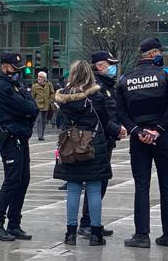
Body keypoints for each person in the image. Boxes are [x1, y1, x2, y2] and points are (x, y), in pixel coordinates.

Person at [115, 37, 168, 248]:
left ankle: (141, 235)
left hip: (139, 139)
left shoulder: (126, 79)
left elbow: (121, 111)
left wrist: (137, 131)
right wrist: (159, 130)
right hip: (164, 138)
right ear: (153, 54)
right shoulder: (166, 76)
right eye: (160, 52)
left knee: (141, 186)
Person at [53, 61, 113, 245]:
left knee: (73, 188)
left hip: (70, 146)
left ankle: (70, 234)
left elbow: (59, 122)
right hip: (92, 145)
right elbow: (105, 120)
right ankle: (95, 233)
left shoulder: (62, 96)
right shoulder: (96, 96)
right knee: (94, 188)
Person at [0, 53, 39, 241]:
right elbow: (24, 107)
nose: (18, 70)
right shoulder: (1, 87)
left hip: (21, 136)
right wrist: (27, 110)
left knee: (23, 179)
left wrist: (27, 110)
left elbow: (33, 107)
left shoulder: (17, 86)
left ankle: (14, 223)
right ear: (4, 67)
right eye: (14, 67)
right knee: (12, 180)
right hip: (9, 136)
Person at [77, 51, 125, 238]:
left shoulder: (106, 85)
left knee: (101, 181)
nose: (112, 67)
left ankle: (92, 220)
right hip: (97, 139)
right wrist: (116, 128)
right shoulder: (94, 85)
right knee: (95, 181)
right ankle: (87, 222)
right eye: (109, 64)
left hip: (106, 139)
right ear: (99, 66)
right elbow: (98, 114)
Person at [31, 71, 56, 141]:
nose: (39, 78)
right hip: (38, 105)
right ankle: (40, 135)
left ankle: (42, 134)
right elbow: (32, 96)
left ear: (44, 78)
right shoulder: (34, 86)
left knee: (44, 120)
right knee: (39, 120)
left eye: (41, 77)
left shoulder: (49, 84)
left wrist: (51, 99)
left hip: (46, 105)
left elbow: (52, 93)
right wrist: (33, 104)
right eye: (38, 76)